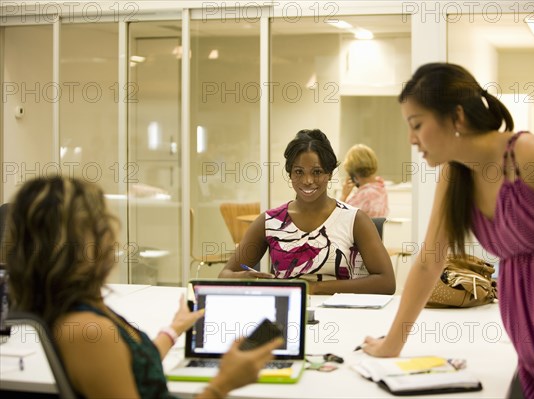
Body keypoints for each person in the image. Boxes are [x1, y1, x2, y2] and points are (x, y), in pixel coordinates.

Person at [360, 63, 534, 398]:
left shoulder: (523, 154)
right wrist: (392, 343)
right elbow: (429, 262)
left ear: (456, 117)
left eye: (417, 124)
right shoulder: (455, 176)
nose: (412, 139)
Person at [3, 176, 283, 399]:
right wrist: (223, 383)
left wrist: (174, 330)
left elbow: (134, 367)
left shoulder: (87, 307)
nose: (113, 233)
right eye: (101, 224)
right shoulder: (88, 330)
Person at [219, 129, 396, 295]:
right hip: (288, 317)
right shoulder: (271, 221)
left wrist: (315, 288)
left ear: (330, 174)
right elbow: (224, 275)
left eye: (317, 172)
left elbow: (386, 283)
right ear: (290, 174)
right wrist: (243, 278)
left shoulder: (354, 219)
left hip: (342, 317)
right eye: (299, 172)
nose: (308, 180)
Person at [340, 143, 389, 218]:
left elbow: (339, 217)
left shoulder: (364, 194)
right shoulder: (380, 188)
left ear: (352, 172)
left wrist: (344, 196)